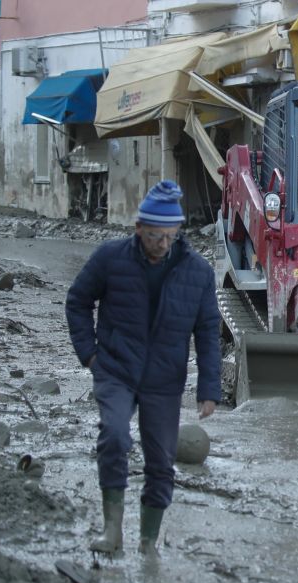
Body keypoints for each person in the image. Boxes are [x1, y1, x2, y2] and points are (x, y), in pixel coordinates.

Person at [65, 181, 221, 558]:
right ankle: (111, 529)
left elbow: (208, 331)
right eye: (154, 235)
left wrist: (209, 389)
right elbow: (77, 301)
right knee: (115, 435)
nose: (162, 244)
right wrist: (90, 355)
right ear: (138, 229)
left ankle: (148, 541)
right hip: (115, 368)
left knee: (161, 462)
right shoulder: (110, 258)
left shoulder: (198, 272)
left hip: (164, 380)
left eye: (169, 236)